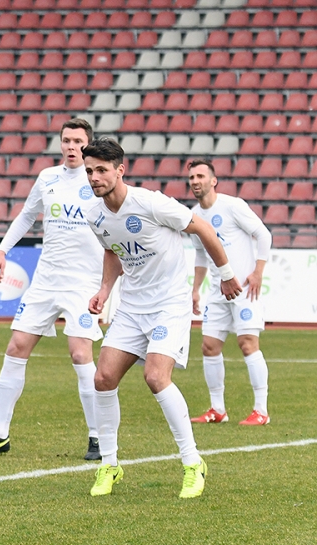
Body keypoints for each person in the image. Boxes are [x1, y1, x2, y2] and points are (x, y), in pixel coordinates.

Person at [83, 139, 241, 498]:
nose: (94, 177)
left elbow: (203, 229)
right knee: (103, 377)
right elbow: (113, 252)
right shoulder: (95, 215)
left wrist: (227, 273)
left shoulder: (151, 203)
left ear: (120, 170)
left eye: (101, 170)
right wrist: (104, 291)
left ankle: (192, 462)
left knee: (155, 376)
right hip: (132, 307)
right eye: (90, 170)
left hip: (169, 304)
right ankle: (109, 465)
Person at [0, 119, 104, 460]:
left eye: (78, 141)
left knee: (80, 354)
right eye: (67, 140)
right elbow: (26, 216)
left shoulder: (97, 181)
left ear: (88, 145)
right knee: (16, 347)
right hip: (45, 280)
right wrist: (1, 251)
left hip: (83, 282)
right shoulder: (48, 178)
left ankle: (98, 437)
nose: (72, 146)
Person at [187, 159, 273, 426]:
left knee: (248, 344)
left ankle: (261, 410)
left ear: (213, 181)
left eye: (200, 176)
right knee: (209, 346)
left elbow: (264, 234)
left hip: (245, 289)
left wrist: (258, 272)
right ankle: (218, 409)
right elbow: (201, 254)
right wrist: (196, 289)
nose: (195, 181)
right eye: (191, 177)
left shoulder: (233, 206)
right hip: (216, 291)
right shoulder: (193, 215)